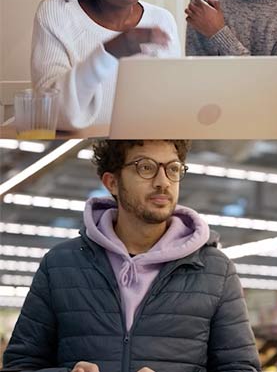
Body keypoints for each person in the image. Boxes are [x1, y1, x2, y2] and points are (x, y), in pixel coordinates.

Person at [3, 140, 260, 372]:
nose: (163, 181)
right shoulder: (60, 265)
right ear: (111, 182)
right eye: (145, 168)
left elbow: (240, 368)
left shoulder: (215, 270)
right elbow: (21, 364)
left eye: (172, 168)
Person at [32, 0, 181, 132]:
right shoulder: (58, 14)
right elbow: (53, 112)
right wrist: (111, 52)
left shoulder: (161, 20)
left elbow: (172, 108)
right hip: (77, 155)